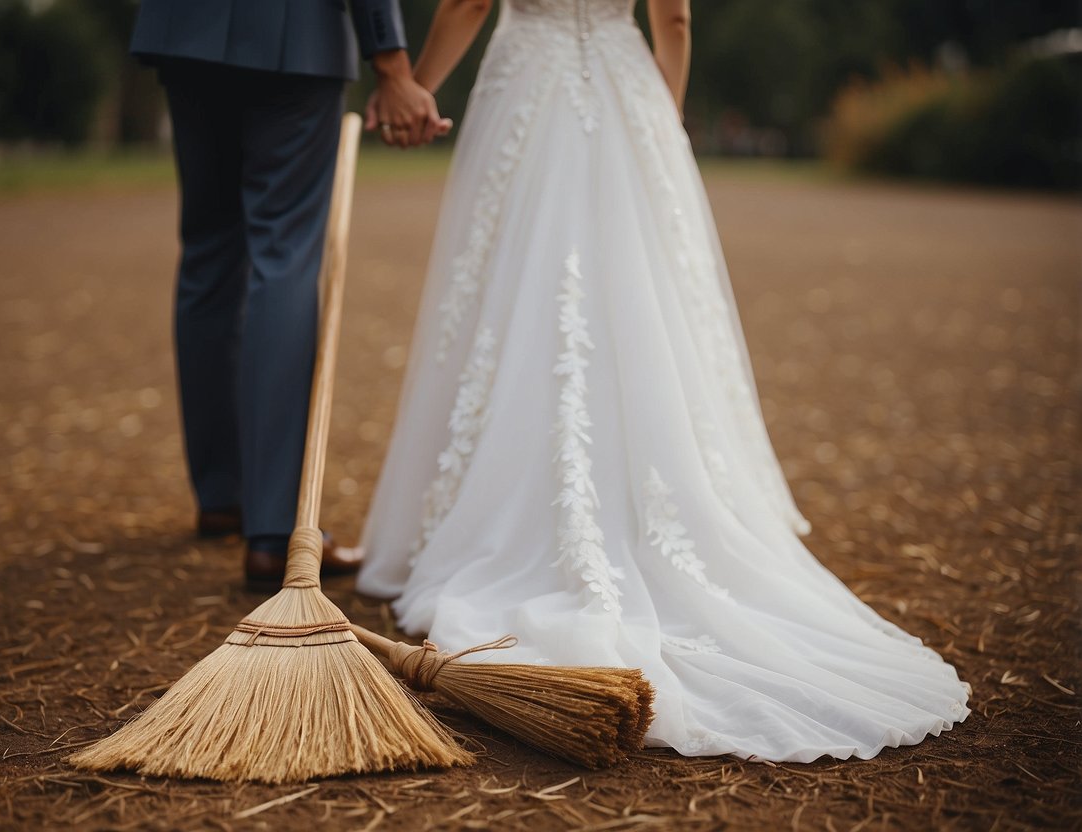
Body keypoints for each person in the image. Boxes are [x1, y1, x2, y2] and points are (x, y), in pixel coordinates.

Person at [357, 0, 971, 762]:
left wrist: (411, 87)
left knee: (513, 285)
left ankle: (484, 506)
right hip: (625, 87)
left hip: (529, 87)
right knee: (646, 295)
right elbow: (673, 17)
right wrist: (662, 108)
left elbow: (468, 2)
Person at [129, 0, 448, 584]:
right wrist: (393, 65)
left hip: (184, 29)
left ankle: (222, 495)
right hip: (293, 35)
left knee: (207, 252)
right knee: (285, 256)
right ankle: (275, 532)